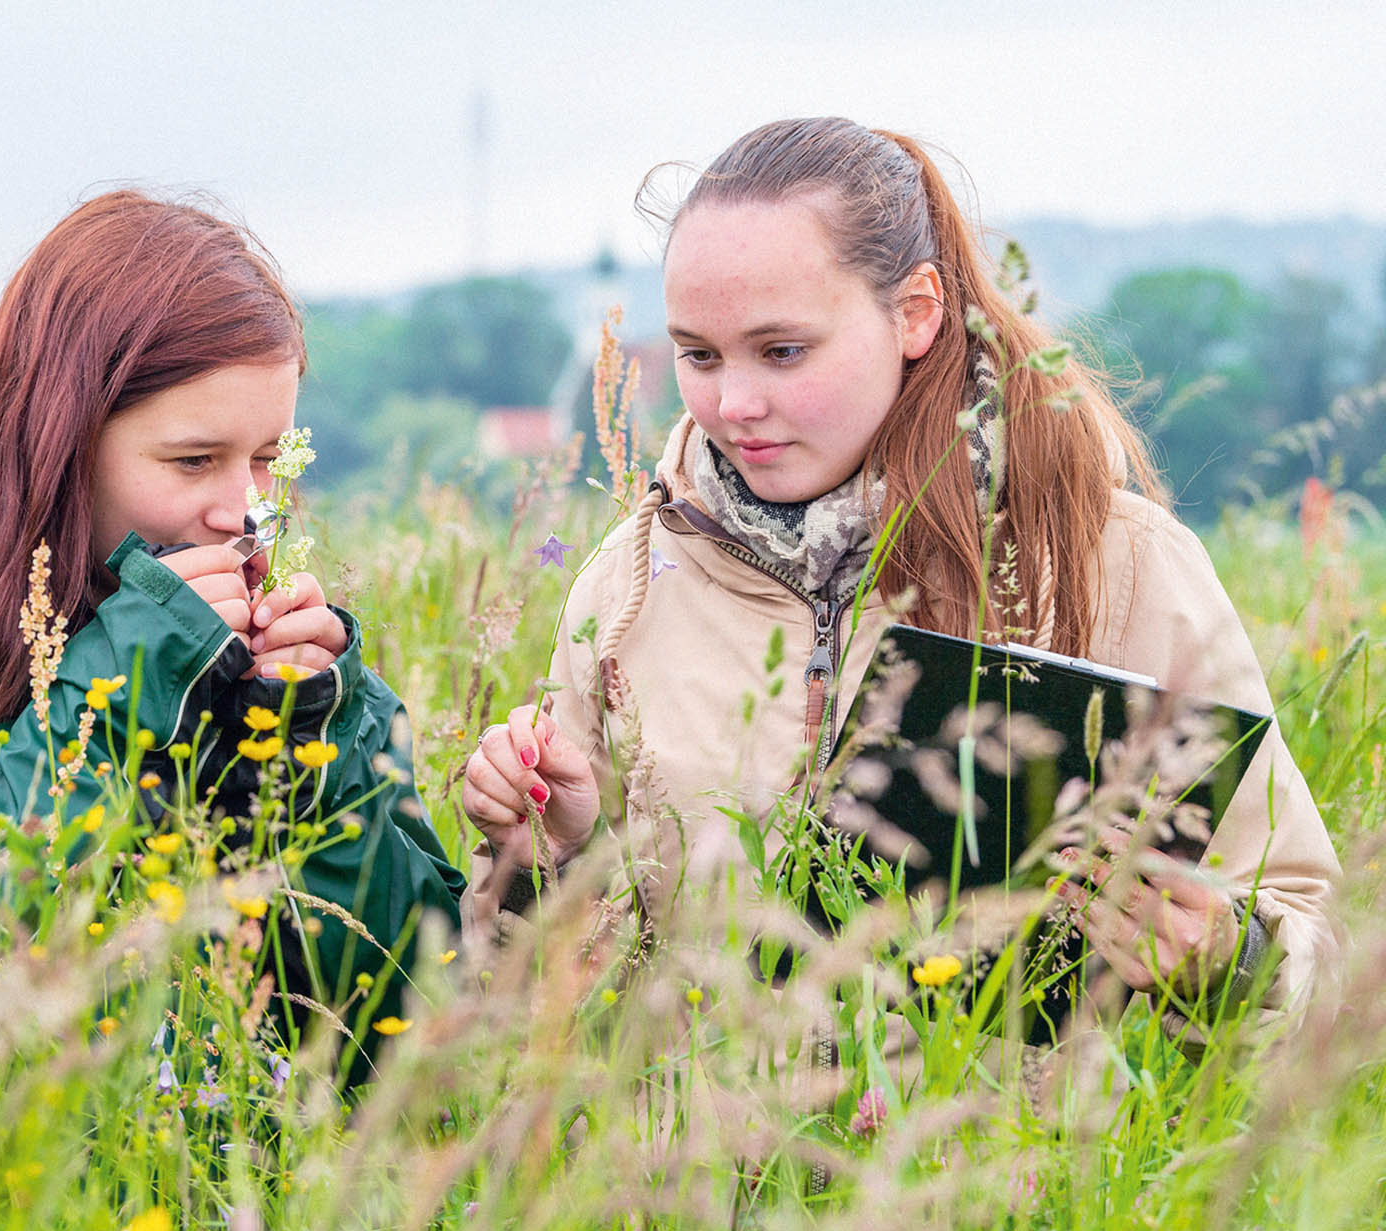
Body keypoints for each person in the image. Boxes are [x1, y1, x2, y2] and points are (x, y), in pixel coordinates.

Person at [460, 117, 1339, 1047]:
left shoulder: (1110, 559)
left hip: (1013, 1183)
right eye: (699, 355)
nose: (733, 404)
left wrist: (1226, 957)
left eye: (783, 351)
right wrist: (553, 851)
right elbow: (536, 1008)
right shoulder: (631, 584)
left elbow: (1319, 947)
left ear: (916, 313)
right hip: (689, 1187)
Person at [0, 191, 464, 1038]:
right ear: (58, 442)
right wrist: (117, 698)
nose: (241, 511)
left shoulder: (288, 668)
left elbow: (415, 1017)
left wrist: (312, 755)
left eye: (266, 461)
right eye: (193, 461)